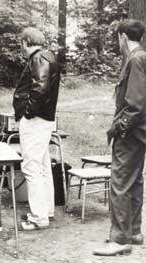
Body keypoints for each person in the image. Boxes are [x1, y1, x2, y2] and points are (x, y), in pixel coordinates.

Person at [93, 19, 146, 256]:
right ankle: (134, 232)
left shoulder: (135, 60)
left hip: (132, 132)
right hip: (140, 132)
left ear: (122, 37)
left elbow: (135, 104)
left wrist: (119, 128)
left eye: (118, 38)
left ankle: (120, 239)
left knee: (121, 183)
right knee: (134, 182)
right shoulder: (141, 58)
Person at [12, 27, 60, 231]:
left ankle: (39, 217)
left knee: (31, 168)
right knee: (43, 166)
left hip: (36, 120)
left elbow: (40, 88)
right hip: (44, 119)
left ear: (25, 42)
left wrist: (27, 113)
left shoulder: (39, 58)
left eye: (21, 44)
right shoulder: (47, 56)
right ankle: (46, 210)